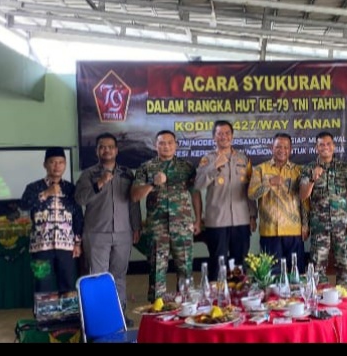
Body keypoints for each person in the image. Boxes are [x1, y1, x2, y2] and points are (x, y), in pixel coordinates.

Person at [75, 132, 142, 323]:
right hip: (97, 233)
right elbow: (80, 199)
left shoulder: (127, 173)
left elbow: (134, 202)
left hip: (123, 232)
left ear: (116, 150)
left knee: (119, 276)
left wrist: (136, 226)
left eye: (110, 147)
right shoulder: (88, 174)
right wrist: (100, 182)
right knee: (98, 277)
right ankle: (100, 319)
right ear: (97, 151)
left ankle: (119, 315)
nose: (107, 150)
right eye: (102, 147)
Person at [131, 130, 203, 302]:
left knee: (185, 269)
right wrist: (152, 183)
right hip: (157, 228)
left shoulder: (186, 167)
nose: (166, 146)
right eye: (162, 143)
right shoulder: (146, 167)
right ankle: (157, 307)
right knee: (157, 270)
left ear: (176, 145)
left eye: (170, 143)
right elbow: (135, 196)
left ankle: (186, 304)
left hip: (182, 226)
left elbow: (195, 193)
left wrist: (198, 220)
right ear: (155, 145)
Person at [194, 120, 257, 281]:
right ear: (214, 137)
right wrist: (215, 166)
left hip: (241, 219)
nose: (224, 137)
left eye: (227, 133)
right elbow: (198, 185)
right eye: (220, 134)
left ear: (232, 136)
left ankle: (238, 293)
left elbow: (250, 189)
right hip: (217, 220)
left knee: (240, 262)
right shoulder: (207, 159)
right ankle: (216, 295)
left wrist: (252, 215)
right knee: (217, 261)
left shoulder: (243, 159)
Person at [299, 131, 347, 287]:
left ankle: (344, 295)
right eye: (321, 145)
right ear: (316, 148)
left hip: (342, 225)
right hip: (319, 225)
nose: (325, 147)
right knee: (318, 264)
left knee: (344, 262)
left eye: (328, 144)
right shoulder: (309, 168)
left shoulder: (344, 168)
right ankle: (320, 295)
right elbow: (303, 196)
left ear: (334, 146)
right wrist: (313, 178)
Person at [21, 147, 83, 294]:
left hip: (66, 247)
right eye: (53, 162)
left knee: (68, 286)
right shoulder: (33, 187)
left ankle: (67, 311)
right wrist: (45, 194)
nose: (57, 166)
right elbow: (24, 206)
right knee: (42, 286)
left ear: (65, 165)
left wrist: (77, 243)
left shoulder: (71, 189)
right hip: (41, 247)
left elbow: (78, 216)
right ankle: (44, 311)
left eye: (61, 162)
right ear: (45, 164)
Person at [248, 132, 306, 275]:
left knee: (296, 274)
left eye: (286, 147)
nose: (282, 150)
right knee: (272, 275)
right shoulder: (260, 169)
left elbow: (304, 200)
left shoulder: (299, 171)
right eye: (278, 146)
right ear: (271, 148)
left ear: (290, 150)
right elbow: (252, 194)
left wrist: (305, 224)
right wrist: (269, 182)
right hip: (270, 231)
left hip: (294, 230)